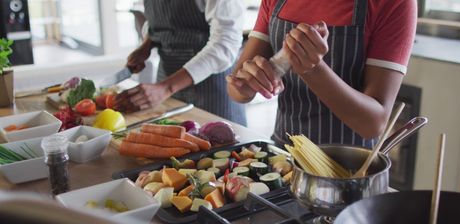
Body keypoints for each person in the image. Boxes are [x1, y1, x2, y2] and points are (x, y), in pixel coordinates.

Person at [227, 0, 417, 147]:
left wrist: (314, 70)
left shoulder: (394, 3)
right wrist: (246, 85)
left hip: (348, 172)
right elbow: (236, 88)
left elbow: (373, 124)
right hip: (283, 158)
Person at [115, 0, 247, 125]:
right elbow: (159, 20)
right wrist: (146, 45)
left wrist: (166, 87)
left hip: (211, 90)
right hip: (165, 85)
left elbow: (225, 44)